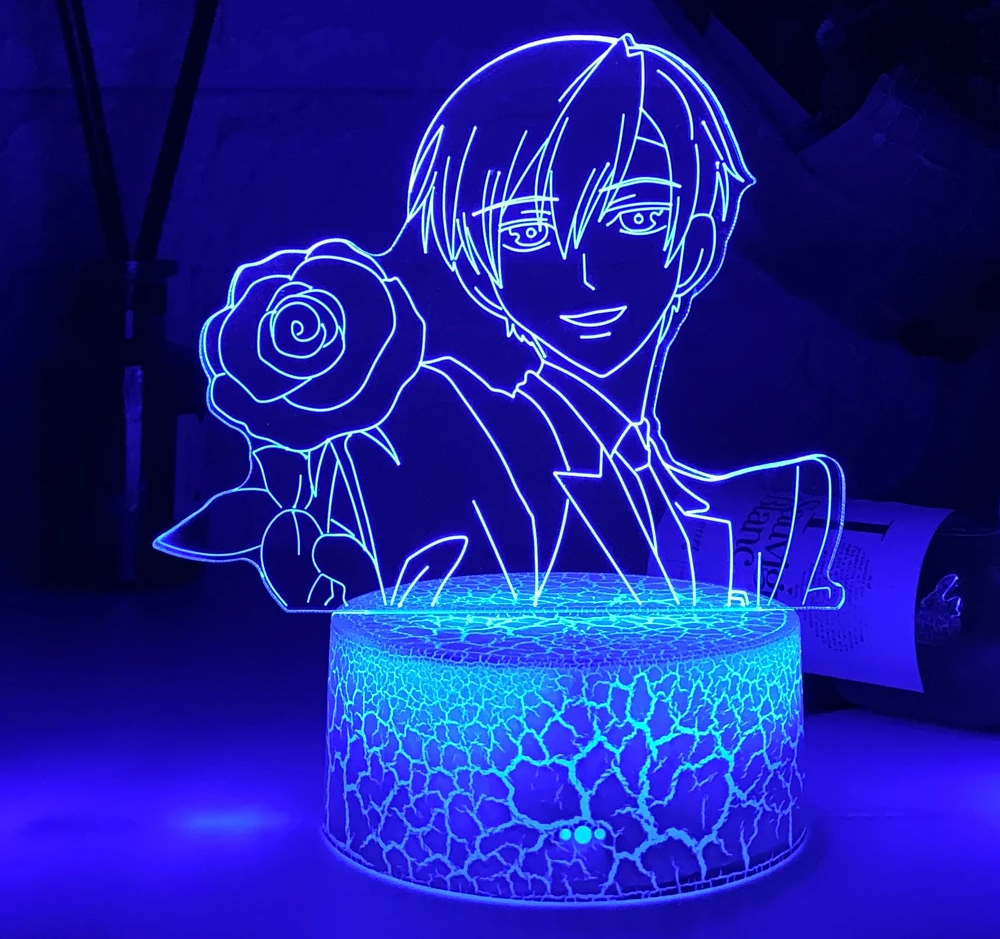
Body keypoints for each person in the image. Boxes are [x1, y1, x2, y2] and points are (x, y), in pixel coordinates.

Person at [155, 34, 845, 612]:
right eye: (527, 230)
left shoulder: (739, 494)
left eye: (635, 217)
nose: (584, 273)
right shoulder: (450, 433)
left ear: (697, 244)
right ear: (479, 268)